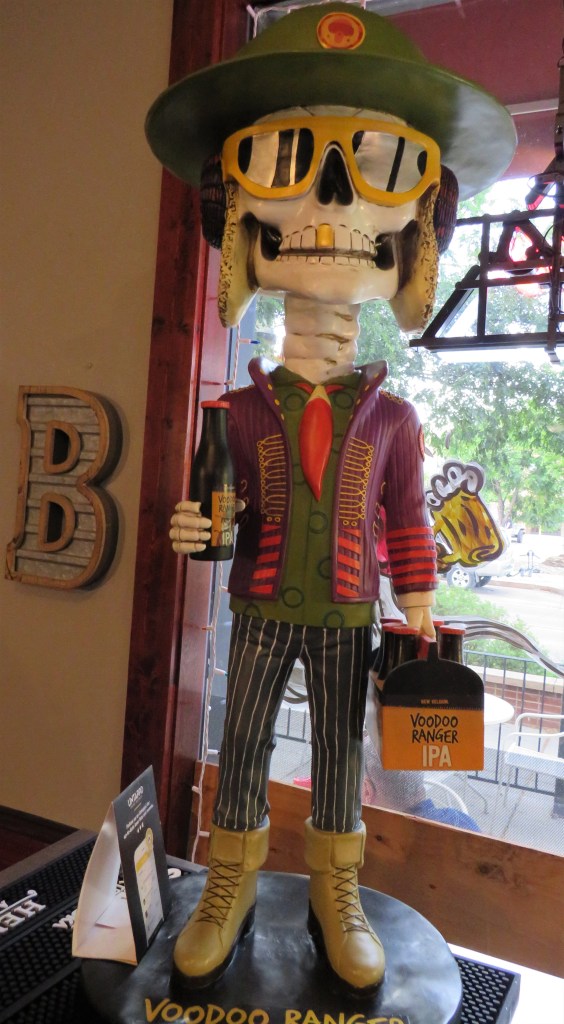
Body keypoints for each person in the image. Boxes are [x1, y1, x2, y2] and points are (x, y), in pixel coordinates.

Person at [145, 2, 515, 995]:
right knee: (242, 738)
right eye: (288, 167)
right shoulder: (235, 411)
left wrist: (420, 600)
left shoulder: (394, 419)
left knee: (345, 756)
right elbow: (217, 515)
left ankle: (335, 888)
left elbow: (405, 516)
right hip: (262, 606)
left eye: (379, 169)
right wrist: (200, 525)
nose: (335, 199)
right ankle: (227, 882)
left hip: (353, 612)